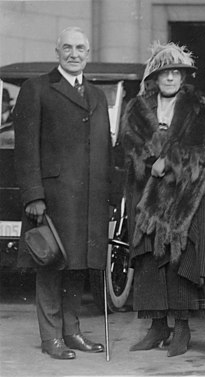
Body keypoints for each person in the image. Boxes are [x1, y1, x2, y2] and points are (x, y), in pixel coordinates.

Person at [14, 26, 112, 360]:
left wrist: (108, 198)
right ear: (57, 51)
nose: (74, 54)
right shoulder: (37, 88)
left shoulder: (97, 96)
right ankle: (51, 337)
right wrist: (33, 195)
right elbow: (25, 148)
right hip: (54, 198)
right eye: (67, 47)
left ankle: (72, 332)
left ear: (88, 53)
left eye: (80, 48)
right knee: (51, 264)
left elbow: (104, 150)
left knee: (79, 267)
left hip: (89, 201)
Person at [121, 42, 205, 357]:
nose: (170, 78)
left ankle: (182, 328)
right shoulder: (136, 107)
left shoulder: (195, 107)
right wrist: (152, 162)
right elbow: (128, 145)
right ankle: (156, 327)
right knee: (150, 260)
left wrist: (172, 159)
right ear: (154, 76)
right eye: (165, 73)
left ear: (183, 77)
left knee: (180, 260)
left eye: (176, 72)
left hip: (183, 199)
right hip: (147, 195)